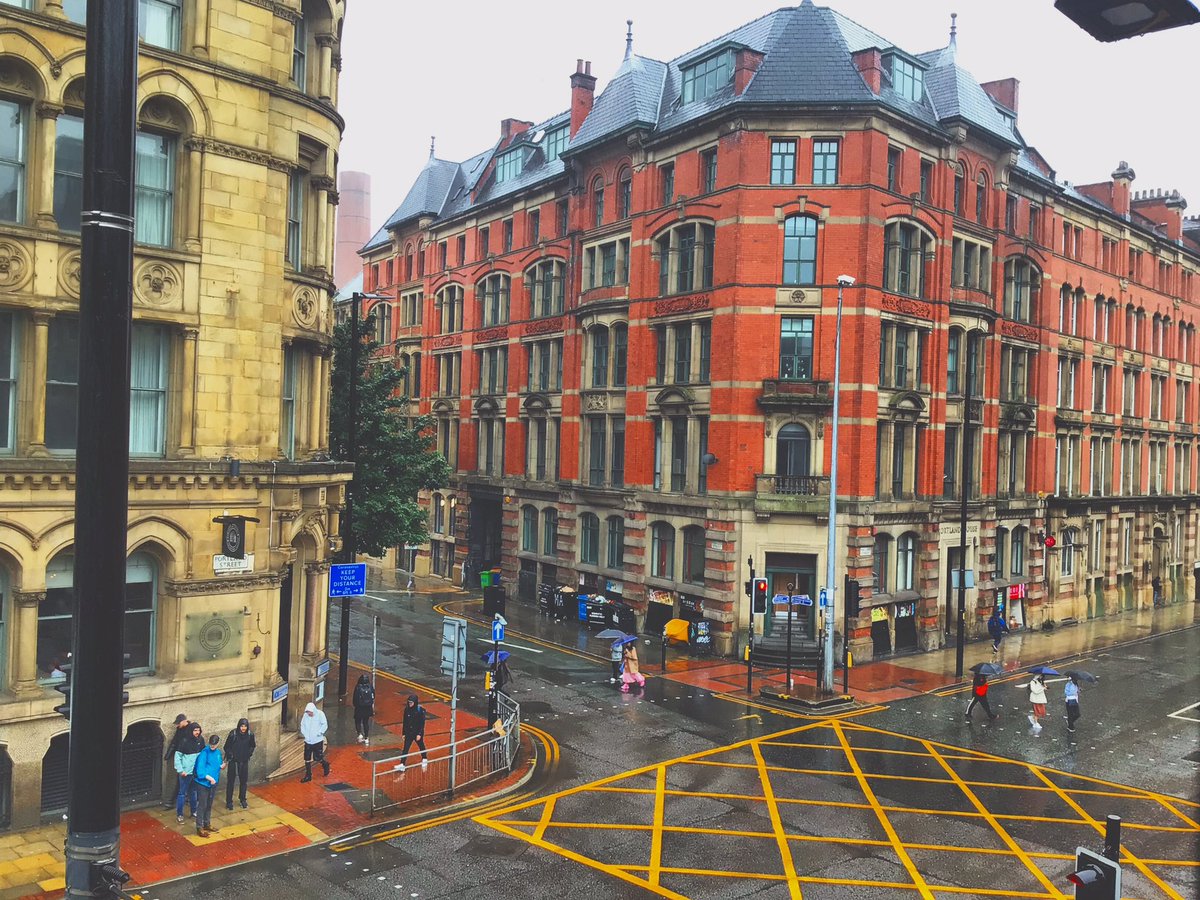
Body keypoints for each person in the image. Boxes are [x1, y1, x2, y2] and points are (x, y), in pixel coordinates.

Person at [192, 734, 225, 838]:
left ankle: (207, 823)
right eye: (211, 744)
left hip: (213, 783)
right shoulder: (204, 753)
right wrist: (209, 778)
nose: (212, 746)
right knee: (202, 804)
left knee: (209, 804)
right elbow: (200, 771)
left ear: (218, 743)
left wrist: (222, 766)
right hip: (203, 783)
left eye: (214, 745)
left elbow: (218, 765)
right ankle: (199, 827)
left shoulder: (218, 753)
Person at [173, 722, 204, 824]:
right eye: (195, 730)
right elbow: (178, 756)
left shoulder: (201, 740)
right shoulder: (184, 741)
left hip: (195, 772)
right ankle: (180, 814)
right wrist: (181, 770)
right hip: (185, 773)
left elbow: (202, 755)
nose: (197, 732)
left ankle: (193, 811)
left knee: (193, 792)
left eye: (198, 730)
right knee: (182, 793)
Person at [224, 718, 256, 810]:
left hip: (244, 760)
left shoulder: (250, 735)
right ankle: (229, 801)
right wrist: (231, 754)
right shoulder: (233, 734)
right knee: (231, 781)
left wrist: (248, 754)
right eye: (242, 726)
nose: (243, 728)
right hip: (233, 761)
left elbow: (252, 746)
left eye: (245, 726)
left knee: (243, 781)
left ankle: (243, 799)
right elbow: (227, 747)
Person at [396, 694, 428, 772]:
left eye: (411, 702)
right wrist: (403, 733)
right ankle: (402, 764)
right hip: (409, 733)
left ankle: (424, 758)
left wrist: (419, 734)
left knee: (421, 745)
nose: (410, 704)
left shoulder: (420, 711)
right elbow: (405, 722)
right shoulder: (406, 710)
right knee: (405, 749)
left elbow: (422, 723)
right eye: (409, 702)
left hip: (416, 733)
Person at [164, 713, 190, 808]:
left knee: (182, 781)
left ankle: (174, 801)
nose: (177, 725)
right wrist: (168, 754)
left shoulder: (190, 730)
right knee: (180, 780)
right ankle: (174, 801)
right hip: (180, 756)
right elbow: (174, 742)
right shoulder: (179, 730)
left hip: (186, 758)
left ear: (184, 721)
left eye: (179, 723)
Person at [299, 701, 330, 782]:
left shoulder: (320, 714)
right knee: (307, 758)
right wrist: (305, 734)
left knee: (318, 758)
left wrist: (319, 733)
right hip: (308, 741)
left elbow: (324, 724)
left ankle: (325, 764)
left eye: (310, 712)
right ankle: (308, 775)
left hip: (317, 741)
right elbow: (302, 725)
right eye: (308, 712)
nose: (309, 714)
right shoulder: (305, 716)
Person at [353, 674, 375, 746]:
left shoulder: (358, 687)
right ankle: (366, 737)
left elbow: (355, 698)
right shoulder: (370, 686)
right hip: (368, 708)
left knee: (358, 721)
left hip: (359, 707)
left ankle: (359, 734)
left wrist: (355, 705)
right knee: (366, 722)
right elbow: (373, 695)